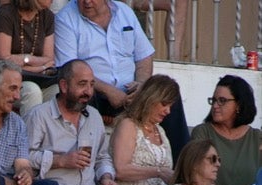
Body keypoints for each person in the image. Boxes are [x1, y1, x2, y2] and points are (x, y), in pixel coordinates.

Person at [52, 0, 190, 160]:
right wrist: (110, 91)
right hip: (96, 92)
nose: (86, 2)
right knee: (79, 92)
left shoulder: (124, 12)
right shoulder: (66, 18)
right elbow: (69, 69)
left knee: (168, 93)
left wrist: (142, 84)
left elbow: (144, 55)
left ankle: (184, 167)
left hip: (134, 91)